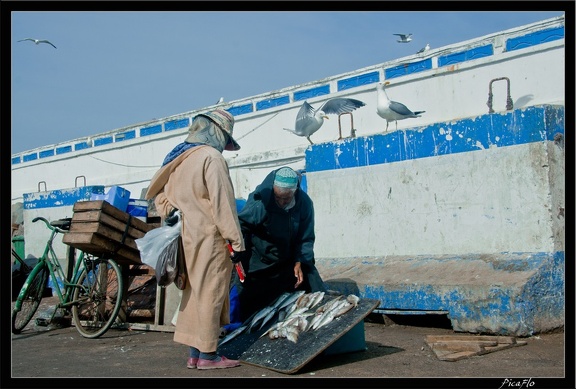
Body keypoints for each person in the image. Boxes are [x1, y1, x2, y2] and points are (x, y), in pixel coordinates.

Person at [145, 109, 247, 370]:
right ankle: (209, 356)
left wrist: (176, 213)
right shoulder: (211, 158)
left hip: (186, 237)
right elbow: (223, 205)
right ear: (217, 133)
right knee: (211, 294)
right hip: (210, 238)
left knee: (194, 294)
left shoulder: (179, 158)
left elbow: (160, 197)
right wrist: (236, 243)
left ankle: (195, 354)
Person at [232, 166, 327, 322]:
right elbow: (242, 227)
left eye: (287, 198)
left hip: (288, 258)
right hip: (260, 260)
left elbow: (306, 236)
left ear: (295, 191)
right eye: (278, 198)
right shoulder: (261, 200)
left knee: (310, 280)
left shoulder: (304, 203)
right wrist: (238, 250)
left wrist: (299, 260)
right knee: (246, 300)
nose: (282, 202)